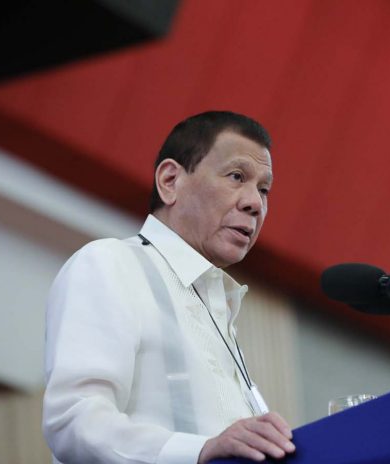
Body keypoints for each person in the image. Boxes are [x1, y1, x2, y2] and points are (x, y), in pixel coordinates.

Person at [42, 111, 296, 464]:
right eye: (237, 176)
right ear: (170, 180)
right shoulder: (111, 263)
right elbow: (73, 421)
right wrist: (200, 450)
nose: (255, 203)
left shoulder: (218, 306)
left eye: (264, 189)